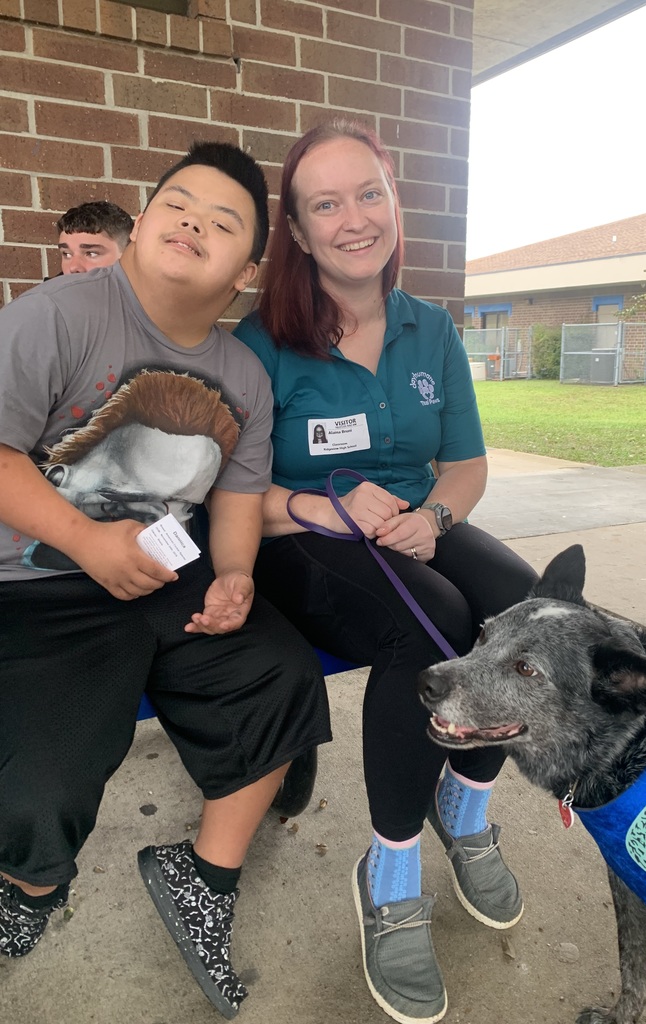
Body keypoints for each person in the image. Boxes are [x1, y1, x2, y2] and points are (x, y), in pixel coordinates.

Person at [0, 141, 332, 1020]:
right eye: (178, 204)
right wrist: (85, 540)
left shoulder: (243, 376)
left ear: (247, 272)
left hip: (170, 570)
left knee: (281, 679)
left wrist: (232, 575)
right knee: (39, 784)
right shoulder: (56, 317)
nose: (194, 221)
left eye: (223, 222)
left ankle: (203, 878)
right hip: (35, 581)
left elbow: (238, 495)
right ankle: (27, 891)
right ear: (141, 224)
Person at [233, 119, 539, 1024]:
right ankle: (392, 871)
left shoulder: (430, 326)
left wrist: (436, 515)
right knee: (434, 623)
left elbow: (466, 465)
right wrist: (318, 507)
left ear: (395, 203)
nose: (354, 218)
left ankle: (467, 803)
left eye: (370, 193)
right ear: (296, 230)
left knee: (526, 614)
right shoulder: (261, 345)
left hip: (413, 523)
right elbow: (225, 494)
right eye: (326, 204)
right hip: (302, 539)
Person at [56, 200, 133, 274]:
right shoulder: (48, 287)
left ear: (128, 255)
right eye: (66, 254)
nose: (73, 267)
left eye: (91, 253)